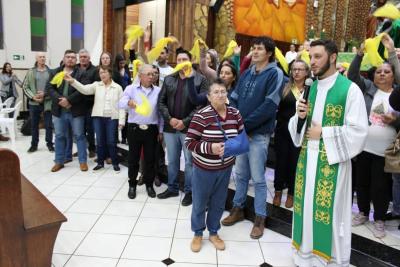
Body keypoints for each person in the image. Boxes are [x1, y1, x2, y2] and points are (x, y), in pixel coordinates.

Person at [288, 39, 368, 266]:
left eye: (317, 57)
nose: (311, 62)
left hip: (332, 163)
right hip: (307, 160)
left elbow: (360, 131)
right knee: (305, 209)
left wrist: (324, 132)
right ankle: (304, 253)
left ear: (333, 57)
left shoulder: (349, 90)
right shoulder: (310, 88)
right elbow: (297, 127)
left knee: (328, 214)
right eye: (310, 57)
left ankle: (328, 260)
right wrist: (300, 118)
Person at [221, 36, 284, 239]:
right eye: (253, 48)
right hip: (242, 133)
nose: (254, 52)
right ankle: (238, 209)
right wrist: (238, 124)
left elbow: (269, 106)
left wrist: (243, 125)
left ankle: (260, 218)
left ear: (269, 53)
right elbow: (234, 98)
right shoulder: (247, 73)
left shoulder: (275, 74)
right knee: (240, 175)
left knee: (258, 179)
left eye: (259, 49)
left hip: (258, 135)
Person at [348, 34, 400, 238]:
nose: (382, 74)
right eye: (378, 71)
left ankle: (379, 219)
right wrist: (359, 55)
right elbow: (352, 77)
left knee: (380, 187)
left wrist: (393, 121)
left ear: (394, 76)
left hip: (385, 150)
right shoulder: (369, 89)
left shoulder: (397, 94)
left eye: (387, 72)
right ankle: (362, 212)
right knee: (362, 183)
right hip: (364, 147)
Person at [185, 78, 244, 252]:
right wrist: (210, 147)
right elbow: (189, 142)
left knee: (218, 202)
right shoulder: (201, 115)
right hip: (204, 168)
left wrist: (233, 146)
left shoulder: (235, 113)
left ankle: (213, 232)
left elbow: (241, 137)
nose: (220, 95)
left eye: (223, 92)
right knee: (200, 202)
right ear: (209, 97)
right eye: (216, 92)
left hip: (225, 168)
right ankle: (197, 233)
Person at [157, 49, 209, 206]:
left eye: (184, 59)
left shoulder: (200, 79)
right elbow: (161, 102)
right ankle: (172, 188)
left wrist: (184, 121)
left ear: (190, 60)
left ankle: (189, 191)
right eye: (178, 60)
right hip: (170, 128)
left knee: (189, 162)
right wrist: (170, 119)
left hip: (190, 129)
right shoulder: (169, 79)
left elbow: (201, 106)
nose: (181, 62)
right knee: (172, 160)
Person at [64, 65, 125, 173]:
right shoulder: (97, 85)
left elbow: (122, 106)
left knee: (111, 142)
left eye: (104, 72)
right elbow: (84, 89)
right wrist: (73, 81)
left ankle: (115, 163)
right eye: (100, 73)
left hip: (112, 118)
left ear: (110, 74)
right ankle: (100, 163)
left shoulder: (118, 88)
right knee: (100, 142)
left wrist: (121, 121)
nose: (102, 75)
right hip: (98, 117)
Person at [119, 64, 163, 199]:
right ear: (140, 76)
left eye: (153, 74)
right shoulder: (131, 89)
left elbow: (160, 113)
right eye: (148, 74)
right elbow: (120, 103)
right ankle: (132, 184)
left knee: (150, 159)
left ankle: (149, 184)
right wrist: (128, 102)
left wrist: (160, 131)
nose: (152, 77)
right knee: (133, 159)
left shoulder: (158, 91)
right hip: (134, 128)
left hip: (152, 129)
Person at [273, 59, 309, 208]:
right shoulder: (285, 87)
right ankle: (278, 191)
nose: (297, 72)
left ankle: (291, 194)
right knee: (280, 162)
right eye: (294, 69)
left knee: (295, 164)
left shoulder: (310, 91)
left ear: (307, 72)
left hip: (299, 134)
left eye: (300, 69)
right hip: (282, 131)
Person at [47, 50, 88, 172]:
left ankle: (82, 162)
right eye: (68, 57)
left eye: (72, 57)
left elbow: (83, 90)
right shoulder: (55, 72)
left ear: (76, 60)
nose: (70, 59)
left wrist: (69, 100)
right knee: (59, 136)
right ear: (64, 59)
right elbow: (49, 88)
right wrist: (60, 100)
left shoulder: (81, 73)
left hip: (75, 110)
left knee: (79, 136)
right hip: (59, 110)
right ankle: (59, 161)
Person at [23, 52, 54, 153]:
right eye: (40, 57)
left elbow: (54, 87)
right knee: (34, 125)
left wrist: (44, 94)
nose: (42, 58)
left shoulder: (50, 72)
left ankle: (50, 144)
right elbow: (25, 86)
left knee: (49, 125)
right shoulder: (31, 72)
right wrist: (33, 97)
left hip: (48, 102)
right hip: (34, 103)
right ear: (36, 59)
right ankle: (34, 145)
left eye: (44, 57)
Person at [77, 49, 97, 158]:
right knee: (80, 130)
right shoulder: (76, 69)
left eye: (85, 57)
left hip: (90, 104)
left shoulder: (94, 70)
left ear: (89, 58)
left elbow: (95, 86)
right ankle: (82, 149)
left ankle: (92, 149)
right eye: (81, 57)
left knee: (90, 129)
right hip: (77, 104)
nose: (83, 58)